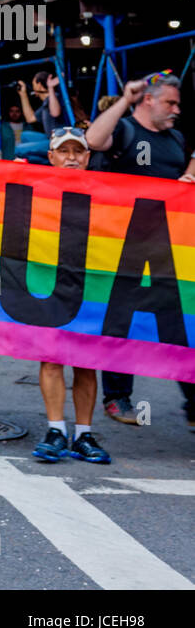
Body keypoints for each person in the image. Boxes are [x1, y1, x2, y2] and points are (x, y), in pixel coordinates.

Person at [85, 72, 195, 427]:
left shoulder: (176, 138)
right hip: (123, 247)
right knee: (121, 322)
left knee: (179, 325)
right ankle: (117, 397)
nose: (176, 109)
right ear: (149, 100)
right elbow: (93, 139)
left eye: (178, 104)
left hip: (167, 248)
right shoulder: (125, 130)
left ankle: (193, 403)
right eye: (170, 102)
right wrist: (123, 101)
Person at [29, 127, 112, 464]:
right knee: (51, 357)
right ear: (51, 157)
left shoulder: (107, 193)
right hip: (48, 283)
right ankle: (55, 429)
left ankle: (83, 434)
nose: (72, 158)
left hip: (90, 285)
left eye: (78, 152)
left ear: (88, 158)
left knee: (87, 362)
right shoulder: (35, 191)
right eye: (64, 152)